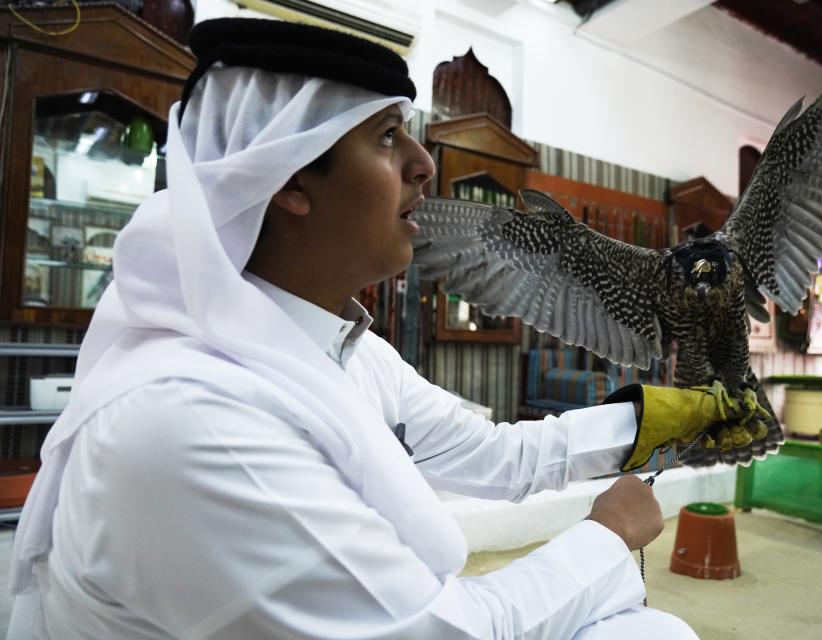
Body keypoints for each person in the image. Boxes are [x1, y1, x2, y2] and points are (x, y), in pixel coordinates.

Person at [8, 18, 755, 639]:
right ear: (292, 178)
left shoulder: (345, 351)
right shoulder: (191, 420)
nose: (425, 165)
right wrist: (607, 534)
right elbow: (445, 629)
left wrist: (650, 421)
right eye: (389, 137)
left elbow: (495, 455)